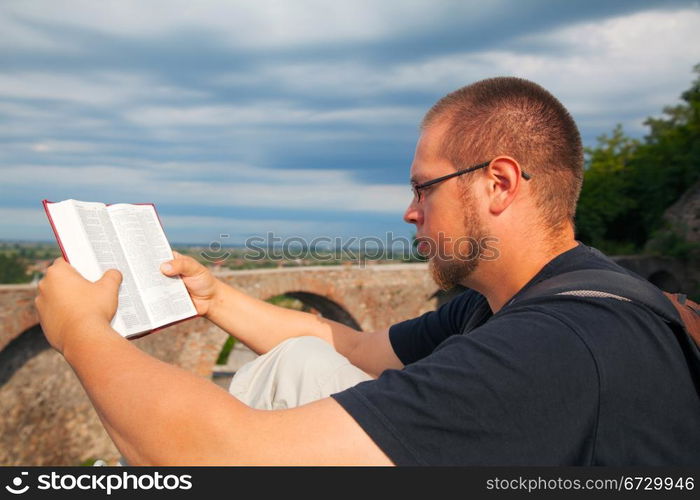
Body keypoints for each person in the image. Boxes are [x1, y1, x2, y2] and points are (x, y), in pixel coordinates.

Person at [35, 77, 700, 465]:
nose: (410, 213)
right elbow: (352, 347)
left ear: (498, 183)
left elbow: (226, 455)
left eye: (424, 188)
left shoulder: (547, 347)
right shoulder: (508, 303)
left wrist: (81, 332)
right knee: (296, 365)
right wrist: (213, 298)